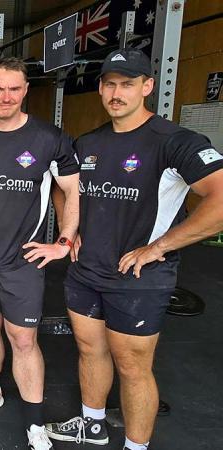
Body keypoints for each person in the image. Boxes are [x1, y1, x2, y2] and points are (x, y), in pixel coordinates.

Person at [44, 48, 223, 450]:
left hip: (139, 279)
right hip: (86, 271)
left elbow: (220, 200)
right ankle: (92, 425)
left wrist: (160, 245)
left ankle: (135, 447)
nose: (116, 93)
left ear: (147, 87)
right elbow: (63, 189)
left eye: (127, 84)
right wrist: (70, 233)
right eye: (109, 84)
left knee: (133, 366)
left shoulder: (176, 142)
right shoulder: (88, 142)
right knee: (90, 350)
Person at [0, 57, 80, 450]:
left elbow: (72, 191)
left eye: (14, 88)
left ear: (25, 91)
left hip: (23, 260)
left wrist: (64, 242)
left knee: (23, 339)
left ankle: (35, 422)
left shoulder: (50, 139)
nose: (6, 96)